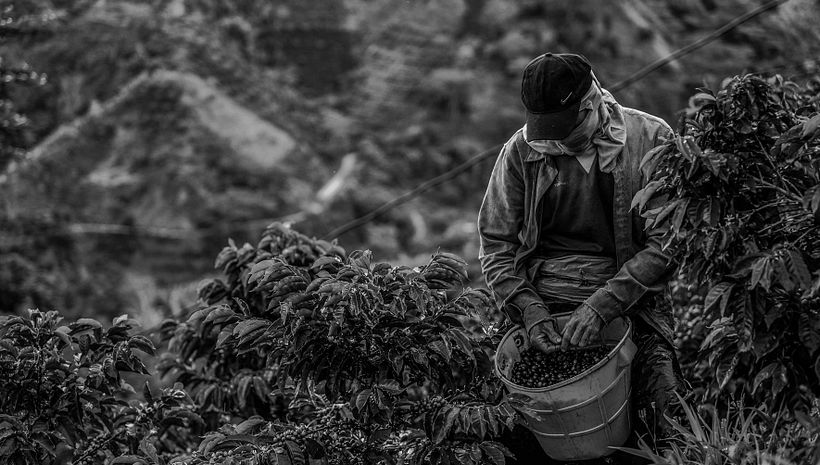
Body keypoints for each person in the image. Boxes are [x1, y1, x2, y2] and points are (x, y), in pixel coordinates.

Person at [478, 52, 684, 462]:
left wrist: (602, 306)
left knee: (664, 416)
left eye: (565, 132)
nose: (555, 144)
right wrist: (530, 309)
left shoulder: (651, 139)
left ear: (591, 105)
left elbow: (667, 242)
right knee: (502, 425)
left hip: (632, 300)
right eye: (548, 134)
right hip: (545, 296)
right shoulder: (521, 151)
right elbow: (496, 245)